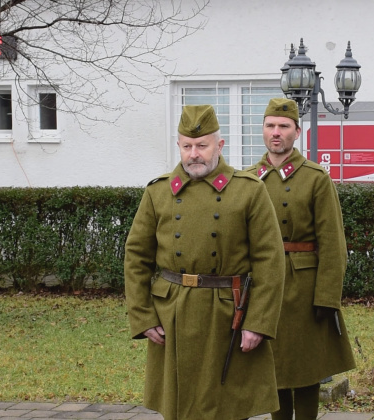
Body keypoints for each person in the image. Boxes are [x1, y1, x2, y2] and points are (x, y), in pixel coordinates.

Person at [124, 104, 286, 420]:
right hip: (173, 312)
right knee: (179, 406)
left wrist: (258, 322)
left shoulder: (248, 191)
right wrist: (143, 316)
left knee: (228, 405)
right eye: (187, 146)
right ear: (179, 146)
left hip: (228, 313)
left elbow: (269, 260)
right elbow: (136, 258)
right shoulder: (158, 193)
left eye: (202, 145)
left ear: (219, 145)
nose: (194, 154)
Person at [246, 98, 356, 420]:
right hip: (263, 285)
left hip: (305, 287)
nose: (276, 133)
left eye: (283, 126)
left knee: (308, 369)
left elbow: (333, 244)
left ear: (297, 132)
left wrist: (327, 296)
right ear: (263, 131)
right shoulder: (248, 179)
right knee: (273, 363)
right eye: (270, 126)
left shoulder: (315, 177)